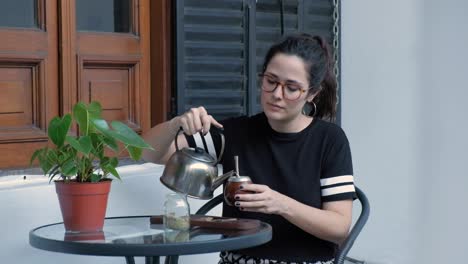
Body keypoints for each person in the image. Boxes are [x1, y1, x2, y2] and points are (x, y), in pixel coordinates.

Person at [142, 33, 356, 264]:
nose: (276, 94)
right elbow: (148, 152)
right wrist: (176, 123)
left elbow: (339, 228)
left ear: (312, 93)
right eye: (271, 81)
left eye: (291, 88)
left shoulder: (329, 140)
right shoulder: (234, 133)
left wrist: (280, 204)